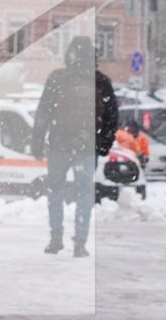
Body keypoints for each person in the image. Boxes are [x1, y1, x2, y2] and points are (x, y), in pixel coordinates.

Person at [30, 37, 119, 256]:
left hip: (59, 144)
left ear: (69, 55)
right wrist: (104, 143)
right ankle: (80, 243)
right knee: (84, 194)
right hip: (86, 147)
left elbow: (43, 112)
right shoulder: (101, 82)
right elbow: (112, 116)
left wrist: (37, 141)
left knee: (56, 192)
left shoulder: (57, 79)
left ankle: (55, 238)